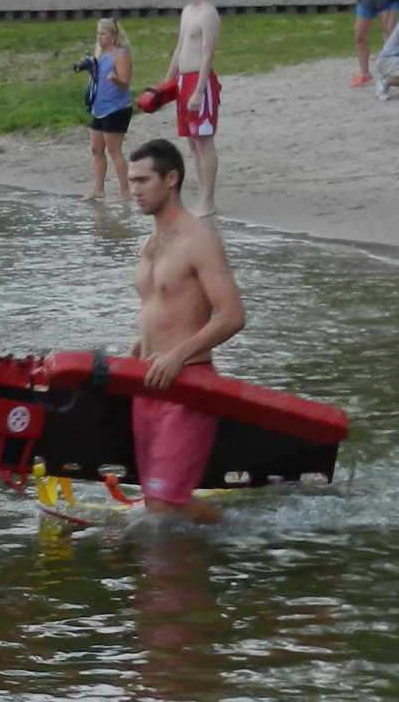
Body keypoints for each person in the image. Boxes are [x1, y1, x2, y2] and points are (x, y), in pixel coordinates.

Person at [123, 138, 246, 523]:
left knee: (164, 507)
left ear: (171, 179)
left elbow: (232, 315)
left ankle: (248, 534)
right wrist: (142, 345)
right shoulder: (150, 244)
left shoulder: (199, 241)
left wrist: (178, 354)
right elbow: (162, 307)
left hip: (189, 387)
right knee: (155, 502)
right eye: (131, 180)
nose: (134, 190)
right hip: (148, 383)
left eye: (143, 180)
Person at [161, 0, 222, 217]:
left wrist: (199, 90)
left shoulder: (208, 13)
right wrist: (166, 83)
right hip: (183, 80)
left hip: (200, 80)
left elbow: (208, 53)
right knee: (192, 142)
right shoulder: (186, 12)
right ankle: (201, 197)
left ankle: (208, 200)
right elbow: (179, 48)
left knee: (203, 140)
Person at [84, 18, 134, 202]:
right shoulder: (100, 55)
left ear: (113, 36)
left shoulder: (120, 55)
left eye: (103, 34)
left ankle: (125, 191)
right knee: (96, 149)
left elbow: (124, 83)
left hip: (117, 108)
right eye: (97, 33)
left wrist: (115, 79)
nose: (99, 37)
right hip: (99, 107)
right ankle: (98, 189)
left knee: (114, 150)